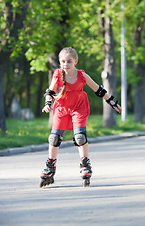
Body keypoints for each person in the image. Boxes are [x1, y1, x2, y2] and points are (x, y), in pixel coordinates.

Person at [40, 47, 122, 187]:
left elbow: (99, 89)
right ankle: (50, 166)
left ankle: (85, 164)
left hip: (79, 107)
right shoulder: (58, 74)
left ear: (75, 61)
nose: (66, 64)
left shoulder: (81, 75)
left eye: (69, 61)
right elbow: (50, 91)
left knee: (80, 137)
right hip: (61, 107)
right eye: (63, 61)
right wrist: (48, 103)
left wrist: (112, 102)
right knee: (54, 138)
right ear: (60, 62)